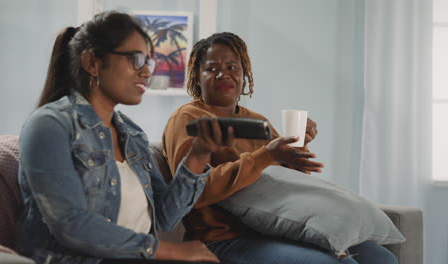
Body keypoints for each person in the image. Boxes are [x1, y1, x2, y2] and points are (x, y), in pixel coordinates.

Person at [162, 32, 398, 264]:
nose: (223, 74)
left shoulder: (256, 120)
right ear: (196, 77)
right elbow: (192, 193)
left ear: (245, 76)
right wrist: (265, 156)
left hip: (272, 231)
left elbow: (284, 187)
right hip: (224, 239)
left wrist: (298, 148)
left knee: (381, 258)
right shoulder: (188, 118)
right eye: (211, 69)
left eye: (233, 67)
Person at [16, 11, 229, 264]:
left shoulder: (132, 134)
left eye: (148, 62)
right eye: (136, 59)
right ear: (92, 63)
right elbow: (71, 224)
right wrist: (171, 251)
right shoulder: (50, 125)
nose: (146, 73)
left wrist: (198, 156)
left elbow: (163, 217)